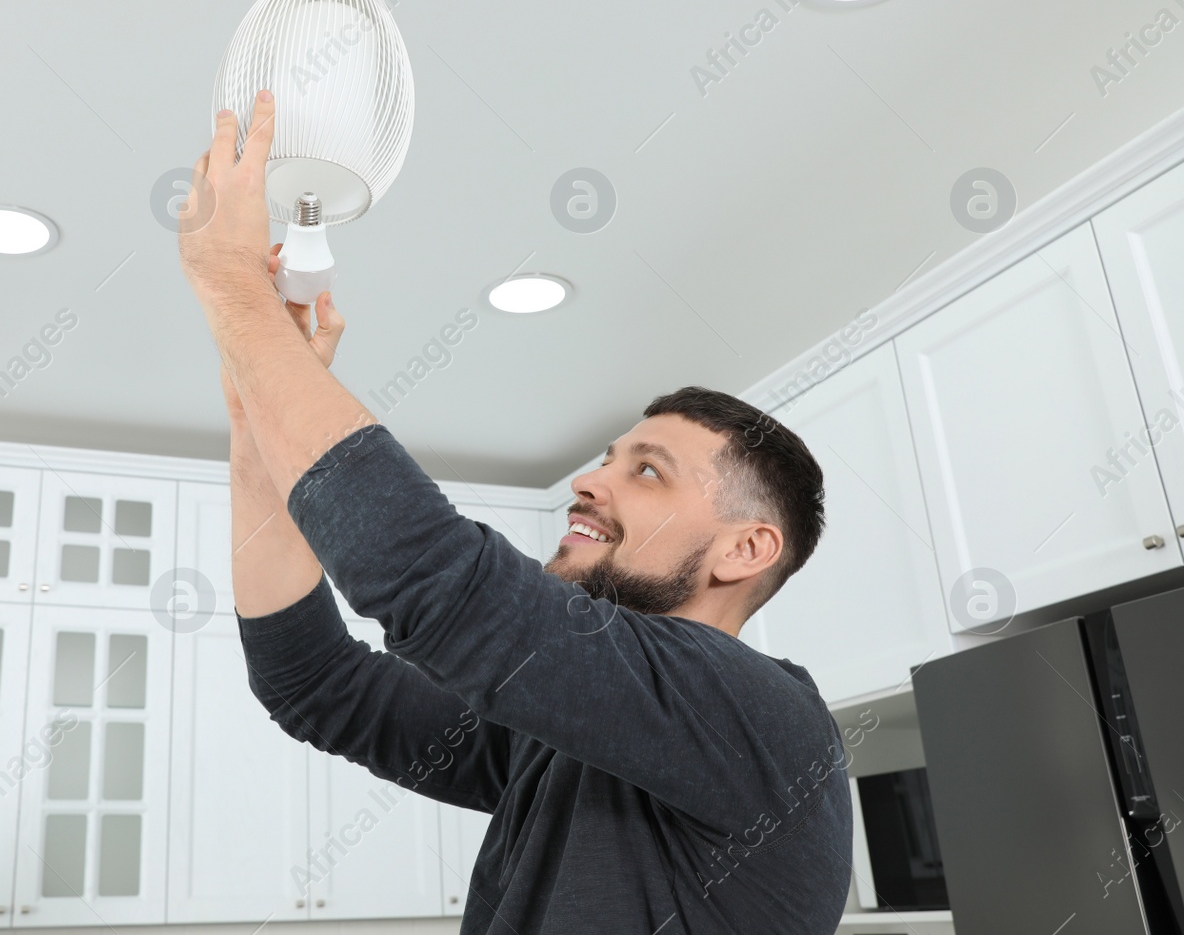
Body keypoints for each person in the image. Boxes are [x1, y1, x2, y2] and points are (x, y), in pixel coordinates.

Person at [178, 91, 854, 934]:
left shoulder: (766, 727)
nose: (588, 480)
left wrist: (235, 291)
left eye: (647, 471)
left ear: (747, 548)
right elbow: (313, 683)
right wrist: (254, 420)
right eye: (608, 457)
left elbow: (442, 585)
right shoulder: (570, 740)